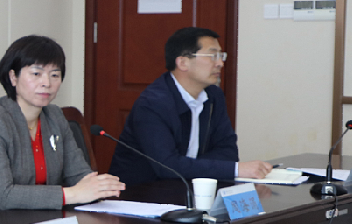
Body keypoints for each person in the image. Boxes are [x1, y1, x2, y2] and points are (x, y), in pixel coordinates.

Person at [0, 35, 124, 215]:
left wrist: (98, 187)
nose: (47, 83)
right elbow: (3, 195)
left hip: (34, 220)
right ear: (13, 77)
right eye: (36, 74)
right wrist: (72, 194)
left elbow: (77, 174)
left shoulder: (55, 116)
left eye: (54, 75)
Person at [109, 27, 273, 185]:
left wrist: (188, 167)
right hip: (141, 193)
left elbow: (228, 151)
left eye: (221, 56)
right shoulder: (152, 104)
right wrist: (235, 169)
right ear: (183, 63)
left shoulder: (214, 96)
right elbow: (167, 167)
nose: (220, 63)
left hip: (188, 187)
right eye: (212, 56)